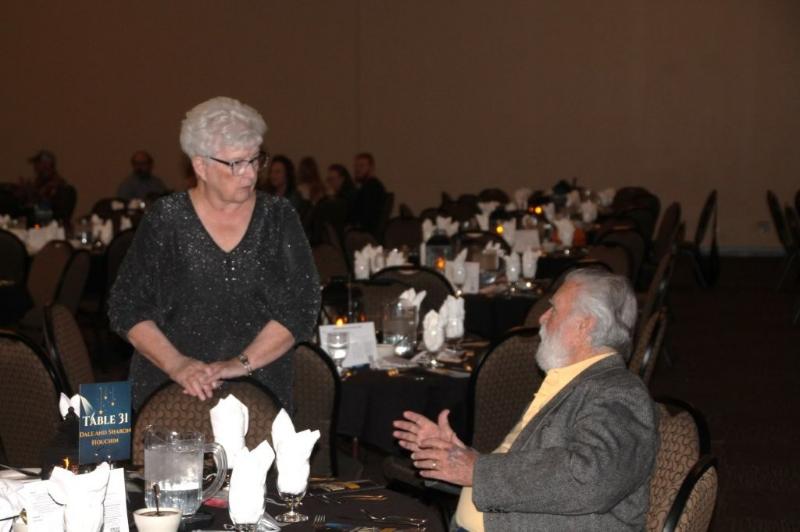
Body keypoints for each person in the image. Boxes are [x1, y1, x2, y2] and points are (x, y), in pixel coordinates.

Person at [393, 269, 658, 531]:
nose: (542, 317)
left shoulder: (619, 391)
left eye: (553, 309)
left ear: (584, 324)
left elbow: (591, 479)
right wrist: (452, 458)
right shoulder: (567, 383)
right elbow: (527, 482)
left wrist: (476, 470)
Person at [108, 96, 321, 411]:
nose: (250, 174)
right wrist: (178, 365)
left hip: (259, 388)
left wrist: (239, 364)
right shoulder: (166, 219)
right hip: (169, 390)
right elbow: (126, 307)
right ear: (201, 166)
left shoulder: (278, 216)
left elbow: (301, 306)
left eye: (255, 160)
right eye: (236, 163)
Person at [16, 149, 75, 223]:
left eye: (37, 163)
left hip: (50, 226)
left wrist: (34, 195)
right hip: (37, 224)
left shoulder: (57, 186)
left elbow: (46, 210)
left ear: (46, 165)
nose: (35, 167)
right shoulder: (39, 183)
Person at [350, 152, 387, 236]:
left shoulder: (371, 188)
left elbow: (364, 215)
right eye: (356, 166)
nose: (357, 169)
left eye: (361, 166)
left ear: (371, 168)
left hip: (364, 233)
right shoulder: (370, 186)